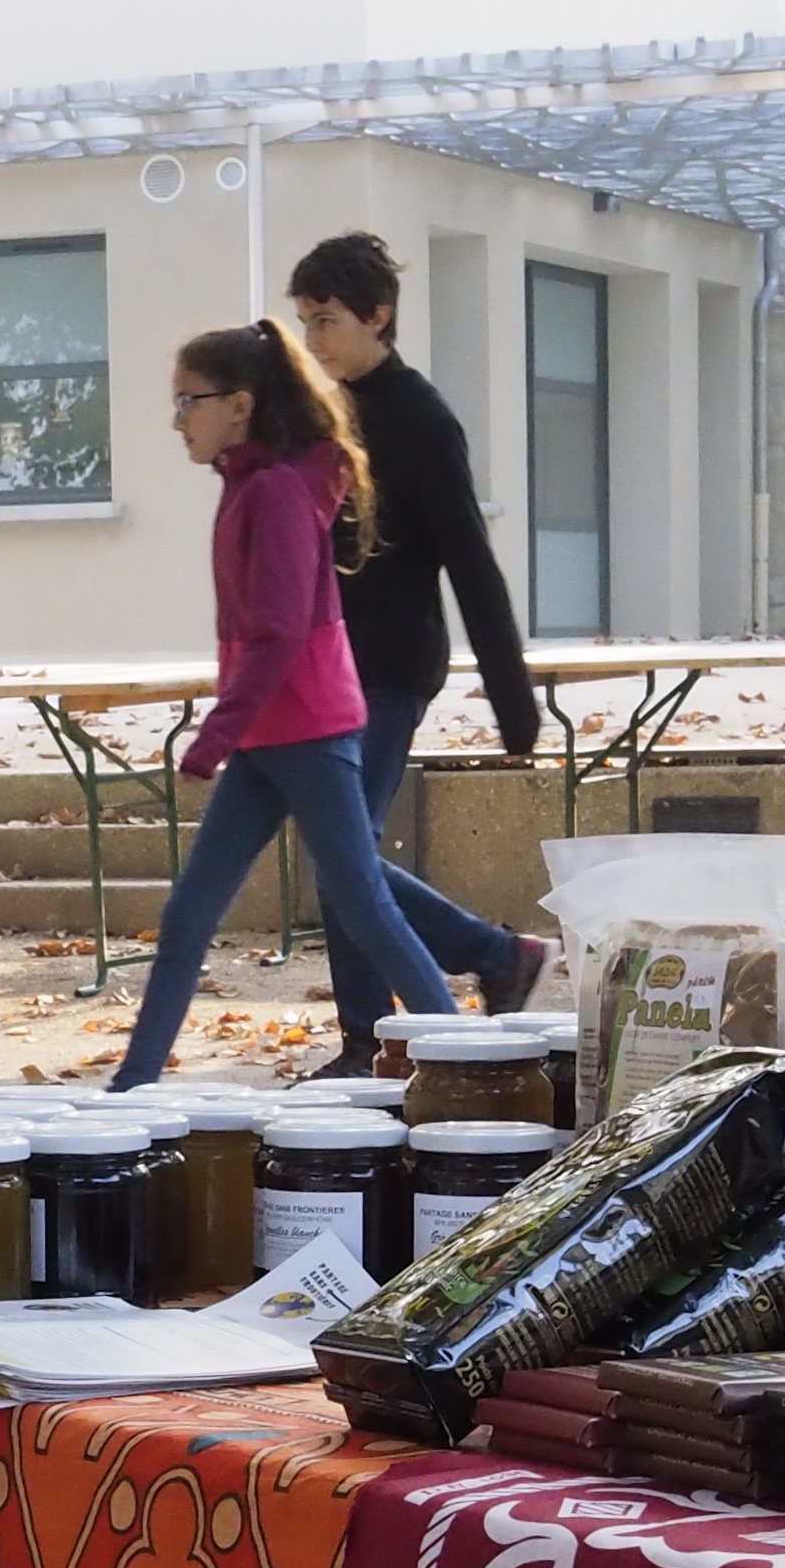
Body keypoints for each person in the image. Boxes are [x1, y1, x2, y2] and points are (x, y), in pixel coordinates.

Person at [112, 318, 447, 1093]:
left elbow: (280, 633)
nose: (177, 421)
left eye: (187, 401)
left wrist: (211, 738)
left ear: (239, 405)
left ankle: (465, 1056)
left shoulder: (277, 492)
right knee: (188, 916)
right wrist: (234, 732)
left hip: (310, 728)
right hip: (270, 732)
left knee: (365, 908)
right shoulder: (249, 485)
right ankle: (130, 1086)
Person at [284, 232, 551, 1066]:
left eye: (326, 320)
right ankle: (376, 1035)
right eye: (303, 322)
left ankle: (487, 964)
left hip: (391, 667)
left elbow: (470, 559)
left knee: (340, 856)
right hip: (323, 668)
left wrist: (513, 699)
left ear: (378, 316)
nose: (314, 340)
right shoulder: (322, 416)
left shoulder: (422, 419)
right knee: (339, 855)